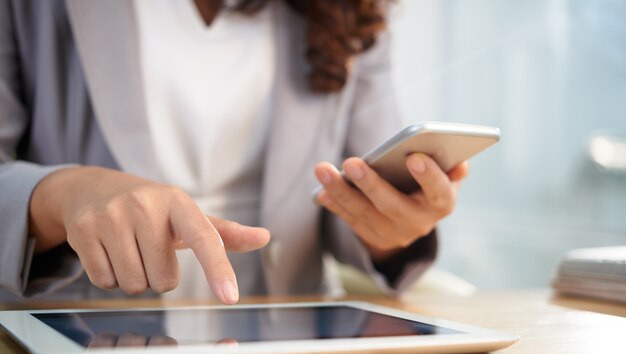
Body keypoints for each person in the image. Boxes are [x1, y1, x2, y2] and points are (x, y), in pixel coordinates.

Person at [0, 0, 468, 303]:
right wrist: (63, 193)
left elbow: (358, 189)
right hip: (81, 347)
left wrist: (388, 228)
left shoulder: (352, 10)